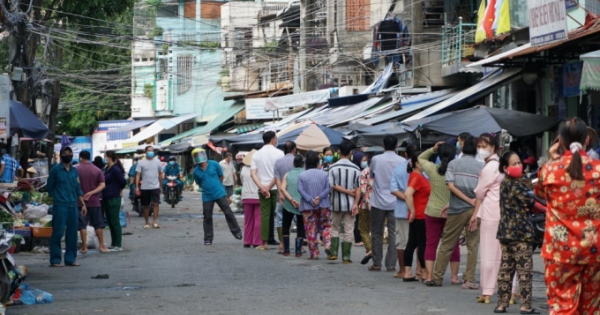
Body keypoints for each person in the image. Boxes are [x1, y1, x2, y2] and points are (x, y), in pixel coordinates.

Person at [535, 118, 600, 315]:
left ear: (560, 142)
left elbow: (540, 194)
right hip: (594, 247)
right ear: (587, 140)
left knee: (562, 305)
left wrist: (552, 158)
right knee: (591, 307)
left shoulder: (549, 170)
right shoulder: (597, 169)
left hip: (559, 249)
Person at [430, 135, 483, 288]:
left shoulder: (453, 164)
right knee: (473, 246)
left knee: (447, 243)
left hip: (456, 210)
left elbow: (451, 186)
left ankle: (438, 278)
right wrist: (472, 202)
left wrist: (455, 202)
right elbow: (480, 192)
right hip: (474, 210)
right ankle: (469, 279)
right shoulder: (481, 167)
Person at [494, 151, 537, 314]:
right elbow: (530, 200)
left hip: (505, 232)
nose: (519, 166)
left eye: (519, 162)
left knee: (506, 269)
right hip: (520, 234)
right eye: (515, 163)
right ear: (506, 167)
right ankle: (525, 306)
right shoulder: (516, 184)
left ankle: (501, 304)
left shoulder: (504, 183)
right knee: (524, 270)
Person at [419, 142, 461, 286]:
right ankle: (455, 276)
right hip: (452, 211)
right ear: (454, 155)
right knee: (453, 244)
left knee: (431, 244)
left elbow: (421, 158)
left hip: (432, 211)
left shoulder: (432, 169)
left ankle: (429, 276)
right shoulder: (456, 171)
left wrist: (433, 149)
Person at [468, 133, 503, 302]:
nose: (481, 150)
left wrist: (475, 214)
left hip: (490, 212)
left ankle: (487, 291)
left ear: (493, 148)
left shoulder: (489, 167)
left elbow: (480, 192)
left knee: (489, 253)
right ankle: (510, 290)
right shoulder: (500, 165)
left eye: (484, 146)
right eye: (479, 147)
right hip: (502, 212)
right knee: (505, 254)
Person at [369, 135, 406, 272]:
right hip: (396, 200)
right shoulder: (402, 161)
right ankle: (391, 264)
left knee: (376, 232)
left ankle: (376, 263)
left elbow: (372, 175)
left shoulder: (376, 159)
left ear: (383, 145)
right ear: (396, 146)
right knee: (393, 234)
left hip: (378, 201)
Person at [192, 148, 242, 245]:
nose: (199, 157)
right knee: (207, 217)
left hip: (219, 193)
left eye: (200, 155)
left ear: (204, 154)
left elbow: (221, 176)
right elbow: (199, 183)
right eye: (196, 156)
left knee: (228, 213)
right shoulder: (196, 171)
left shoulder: (214, 164)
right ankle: (208, 238)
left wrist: (217, 185)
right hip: (207, 196)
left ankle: (237, 232)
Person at [47, 147, 87, 267]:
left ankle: (70, 258)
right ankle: (55, 259)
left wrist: (83, 204)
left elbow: (77, 189)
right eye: (65, 153)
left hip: (73, 205)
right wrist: (57, 198)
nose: (68, 155)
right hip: (60, 206)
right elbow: (50, 187)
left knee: (72, 233)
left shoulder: (74, 171)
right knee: (58, 233)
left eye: (70, 153)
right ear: (61, 155)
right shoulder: (55, 170)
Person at [327, 140, 361, 263]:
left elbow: (332, 185)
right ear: (351, 153)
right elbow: (358, 189)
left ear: (339, 151)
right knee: (349, 229)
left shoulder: (333, 168)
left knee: (335, 227)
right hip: (351, 204)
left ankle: (334, 253)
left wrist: (345, 191)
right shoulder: (356, 168)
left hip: (335, 202)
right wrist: (356, 203)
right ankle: (346, 257)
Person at [251, 131, 284, 250]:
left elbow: (253, 174)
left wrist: (262, 187)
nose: (276, 140)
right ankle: (282, 242)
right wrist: (270, 187)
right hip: (277, 187)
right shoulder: (280, 153)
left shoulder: (256, 155)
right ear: (272, 139)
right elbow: (279, 173)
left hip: (263, 188)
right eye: (275, 138)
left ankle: (264, 243)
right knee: (280, 215)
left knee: (265, 214)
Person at [297, 150, 331, 260]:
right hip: (323, 204)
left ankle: (314, 253)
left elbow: (300, 190)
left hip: (307, 206)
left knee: (310, 229)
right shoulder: (324, 174)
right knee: (325, 226)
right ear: (317, 163)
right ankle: (327, 244)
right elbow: (328, 188)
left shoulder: (302, 175)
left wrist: (310, 199)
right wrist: (319, 197)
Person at [403, 151, 431, 281]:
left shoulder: (418, 176)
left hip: (418, 214)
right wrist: (413, 211)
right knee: (422, 244)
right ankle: (425, 272)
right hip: (420, 215)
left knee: (413, 243)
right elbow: (408, 194)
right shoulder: (417, 177)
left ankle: (408, 272)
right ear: (417, 163)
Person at [76, 151, 108, 254]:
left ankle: (84, 247)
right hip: (94, 201)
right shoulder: (97, 170)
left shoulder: (75, 169)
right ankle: (102, 246)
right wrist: (92, 193)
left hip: (80, 202)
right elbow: (102, 185)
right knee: (98, 224)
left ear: (81, 158)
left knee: (82, 225)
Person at [390, 145, 411, 277]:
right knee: (421, 241)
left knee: (402, 241)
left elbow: (393, 189)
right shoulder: (425, 169)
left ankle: (403, 270)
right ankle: (421, 270)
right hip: (421, 209)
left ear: (405, 153)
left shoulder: (398, 169)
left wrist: (406, 199)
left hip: (402, 209)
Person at [273, 141, 298, 254]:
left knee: (280, 219)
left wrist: (281, 194)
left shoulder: (278, 162)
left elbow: (277, 180)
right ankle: (300, 246)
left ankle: (282, 244)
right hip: (296, 195)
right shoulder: (298, 161)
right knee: (298, 220)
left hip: (282, 195)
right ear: (294, 149)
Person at [280, 154, 307, 257]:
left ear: (293, 164)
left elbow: (282, 188)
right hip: (302, 204)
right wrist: (299, 201)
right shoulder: (305, 174)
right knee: (301, 227)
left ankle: (286, 250)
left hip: (288, 204)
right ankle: (298, 251)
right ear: (303, 164)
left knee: (286, 226)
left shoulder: (287, 174)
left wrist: (291, 200)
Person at [102, 151, 127, 252]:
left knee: (115, 221)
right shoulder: (107, 169)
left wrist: (119, 190)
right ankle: (113, 243)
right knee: (110, 221)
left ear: (110, 157)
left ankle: (118, 244)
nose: (105, 159)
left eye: (106, 157)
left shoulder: (115, 169)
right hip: (106, 197)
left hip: (114, 197)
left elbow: (123, 182)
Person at [135, 146, 163, 229]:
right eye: (149, 151)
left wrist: (160, 185)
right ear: (146, 152)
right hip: (145, 187)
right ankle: (147, 222)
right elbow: (138, 175)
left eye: (152, 151)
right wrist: (137, 186)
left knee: (156, 204)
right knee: (146, 205)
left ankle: (154, 222)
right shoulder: (141, 162)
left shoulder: (157, 162)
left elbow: (160, 173)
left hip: (155, 186)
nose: (151, 152)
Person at [241, 150, 261, 248]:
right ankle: (257, 241)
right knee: (258, 220)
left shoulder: (243, 169)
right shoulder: (260, 169)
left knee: (248, 220)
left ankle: (247, 241)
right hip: (258, 197)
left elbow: (242, 181)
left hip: (246, 196)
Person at [358, 154, 374, 265]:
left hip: (365, 205)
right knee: (377, 230)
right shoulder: (382, 172)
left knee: (363, 229)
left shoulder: (365, 172)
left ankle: (369, 250)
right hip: (380, 205)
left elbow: (363, 189)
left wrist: (368, 202)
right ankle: (374, 251)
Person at [351, 151, 365, 247]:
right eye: (363, 160)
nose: (365, 162)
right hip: (356, 196)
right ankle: (358, 238)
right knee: (357, 218)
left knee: (360, 218)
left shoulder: (363, 171)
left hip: (361, 197)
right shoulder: (355, 171)